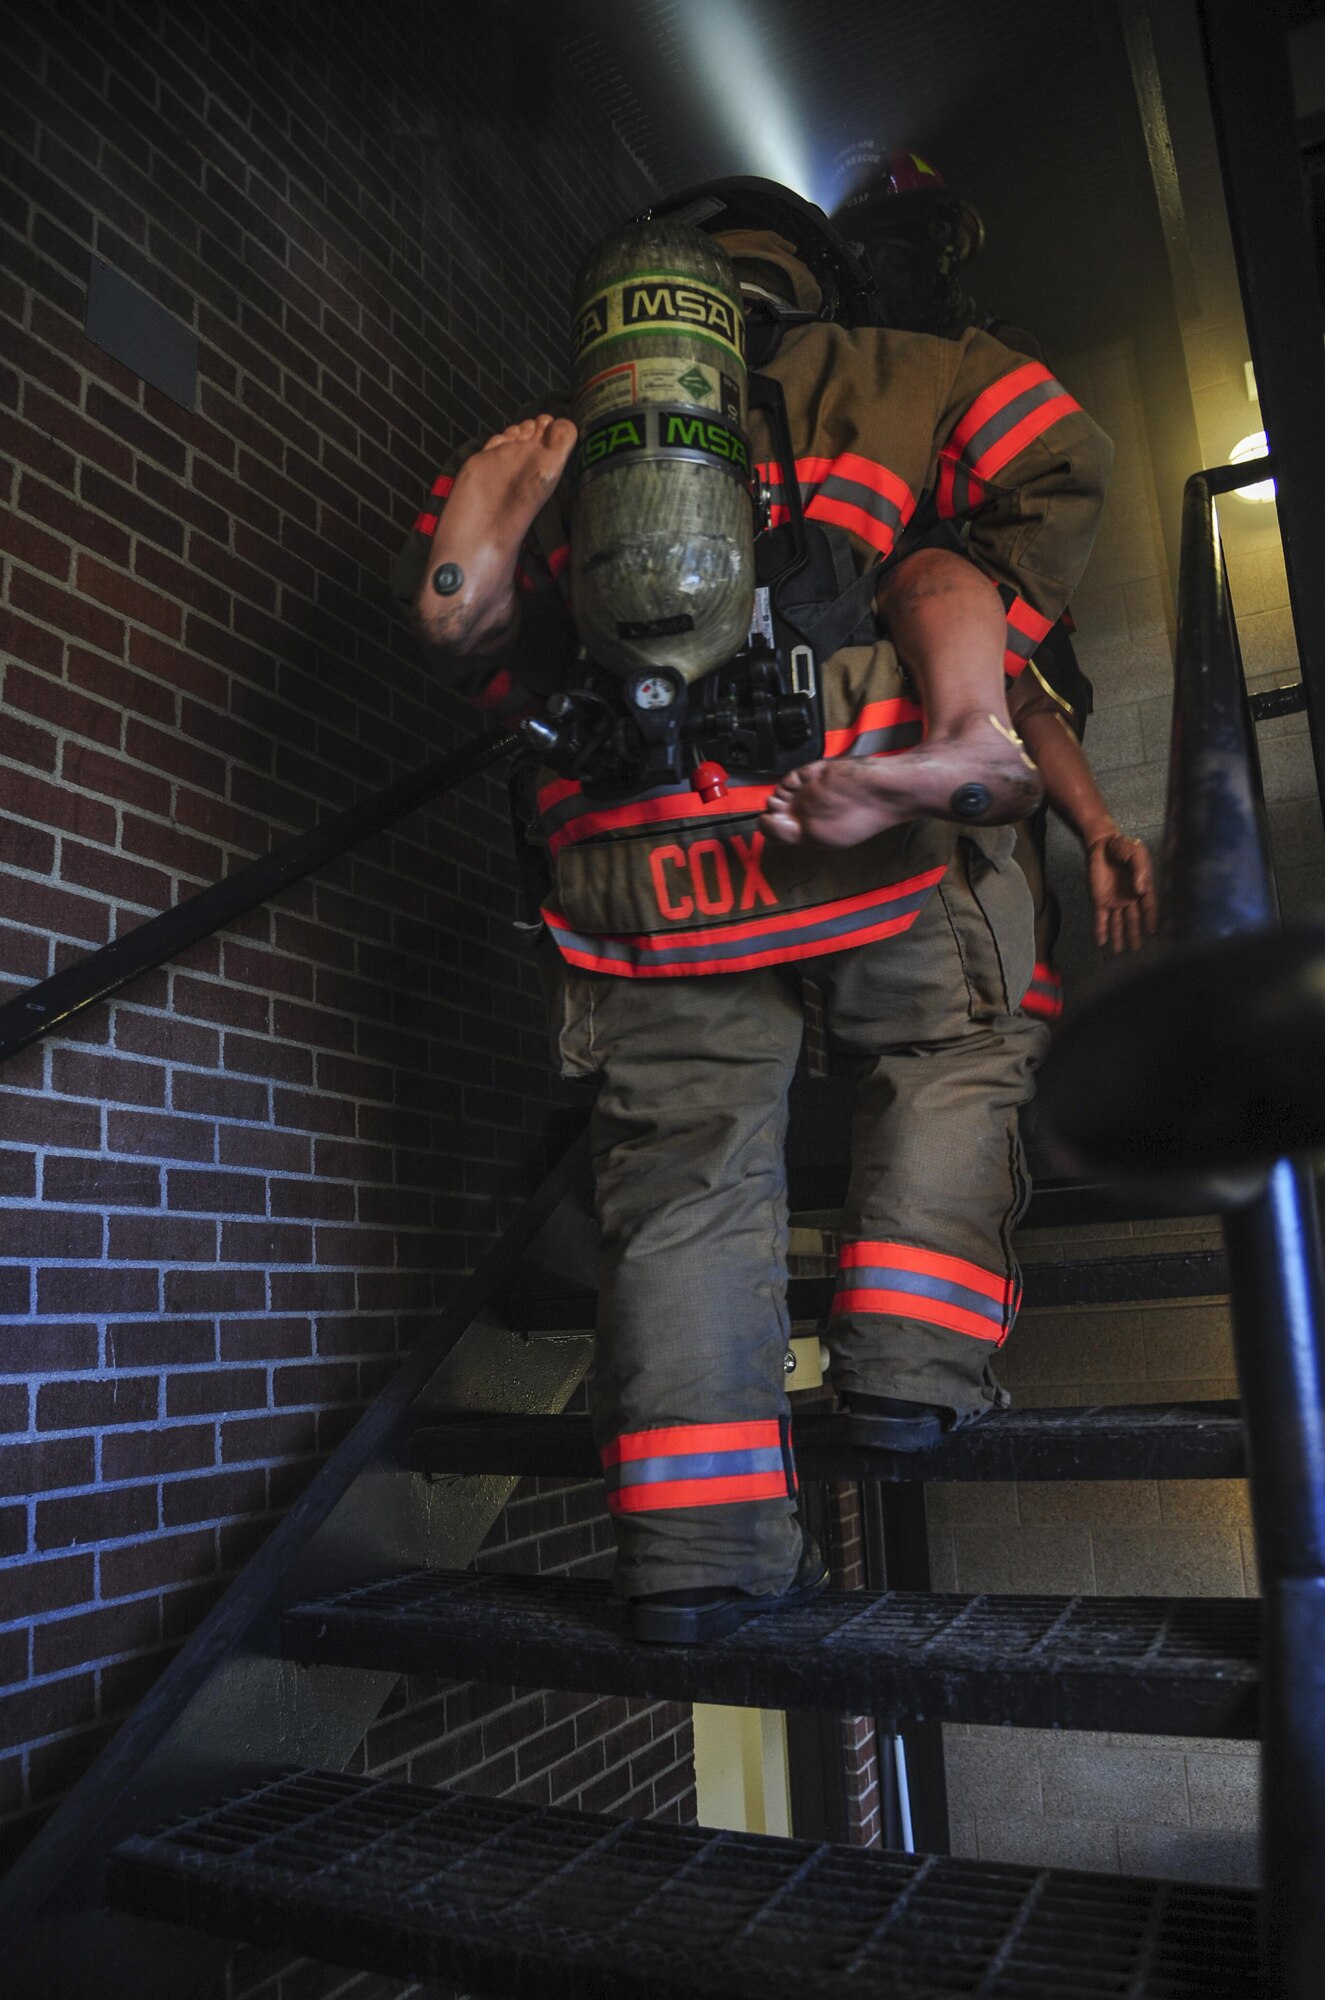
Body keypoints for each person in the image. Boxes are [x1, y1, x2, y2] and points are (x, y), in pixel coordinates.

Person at [392, 203, 1112, 1643]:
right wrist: (973, 665)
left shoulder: (574, 434)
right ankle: (907, 1377)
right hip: (855, 812)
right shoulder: (908, 366)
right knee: (953, 1055)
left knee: (681, 1186)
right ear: (807, 273)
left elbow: (487, 650)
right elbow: (1060, 459)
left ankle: (695, 1555)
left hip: (640, 859)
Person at [831, 147, 1157, 1004]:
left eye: (928, 240)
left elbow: (1056, 476)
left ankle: (1016, 1043)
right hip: (885, 639)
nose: (914, 262)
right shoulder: (848, 373)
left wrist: (1093, 829)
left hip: (996, 624)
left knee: (998, 875)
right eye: (894, 242)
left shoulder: (990, 356)